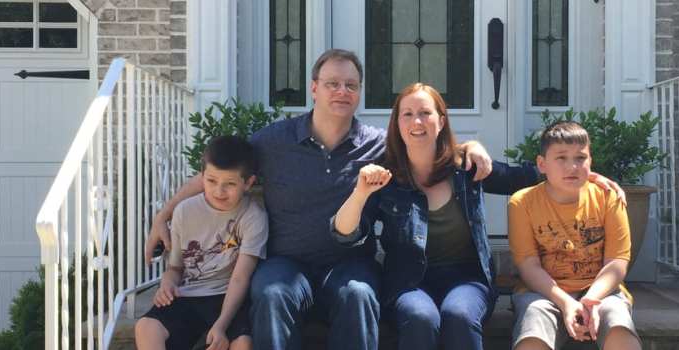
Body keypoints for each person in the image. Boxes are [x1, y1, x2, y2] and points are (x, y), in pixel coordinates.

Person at [144, 49, 494, 350]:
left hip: (350, 261)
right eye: (332, 83)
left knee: (358, 295)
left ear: (358, 93)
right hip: (287, 261)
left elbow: (424, 145)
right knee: (270, 294)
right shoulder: (274, 141)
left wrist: (468, 148)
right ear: (314, 88)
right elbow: (219, 172)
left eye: (351, 85)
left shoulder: (376, 145)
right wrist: (164, 215)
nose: (342, 91)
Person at [331, 83, 538, 350]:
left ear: (441, 121)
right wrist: (360, 193)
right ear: (397, 124)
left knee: (459, 315)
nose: (416, 121)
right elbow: (345, 233)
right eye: (407, 114)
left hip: (468, 278)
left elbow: (519, 178)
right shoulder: (386, 177)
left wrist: (582, 176)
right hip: (409, 281)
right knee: (421, 317)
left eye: (425, 113)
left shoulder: (466, 167)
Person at [508, 121, 641, 350]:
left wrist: (590, 300)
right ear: (542, 164)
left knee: (617, 321)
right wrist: (566, 303)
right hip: (543, 292)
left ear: (591, 162)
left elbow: (617, 262)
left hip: (602, 290)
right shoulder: (522, 203)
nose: (572, 167)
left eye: (580, 158)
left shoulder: (608, 197)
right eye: (561, 158)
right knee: (534, 322)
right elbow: (528, 265)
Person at [135, 135, 267, 350]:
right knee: (146, 327)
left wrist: (221, 325)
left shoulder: (253, 216)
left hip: (229, 298)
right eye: (211, 181)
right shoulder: (184, 211)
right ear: (202, 176)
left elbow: (240, 278)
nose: (218, 191)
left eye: (230, 184)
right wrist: (167, 284)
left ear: (248, 183)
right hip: (190, 294)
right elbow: (175, 268)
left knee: (242, 344)